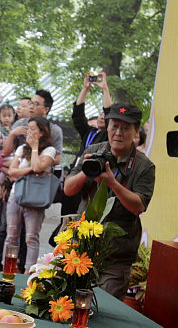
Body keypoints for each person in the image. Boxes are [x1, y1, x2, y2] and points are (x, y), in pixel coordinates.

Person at [62, 103, 156, 299]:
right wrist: (86, 172)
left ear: (136, 131)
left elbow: (139, 206)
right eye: (114, 126)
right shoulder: (94, 150)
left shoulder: (144, 166)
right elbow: (68, 189)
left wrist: (112, 183)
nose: (118, 133)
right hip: (81, 248)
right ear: (108, 127)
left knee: (103, 305)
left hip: (115, 256)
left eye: (125, 128)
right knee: (70, 301)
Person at [4, 117, 58, 271]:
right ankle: (8, 268)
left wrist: (34, 149)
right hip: (16, 195)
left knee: (31, 237)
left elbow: (38, 166)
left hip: (36, 199)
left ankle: (29, 271)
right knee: (11, 235)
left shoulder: (50, 150)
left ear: (42, 132)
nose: (29, 132)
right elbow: (12, 171)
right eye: (28, 128)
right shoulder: (21, 149)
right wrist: (29, 171)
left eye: (33, 128)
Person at [73, 71, 114, 148]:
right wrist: (85, 88)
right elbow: (78, 115)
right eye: (101, 115)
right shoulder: (89, 132)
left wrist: (105, 89)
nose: (102, 117)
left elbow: (109, 112)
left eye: (105, 116)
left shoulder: (109, 136)